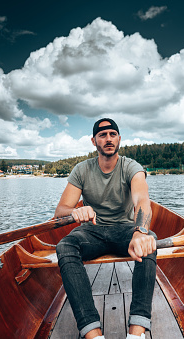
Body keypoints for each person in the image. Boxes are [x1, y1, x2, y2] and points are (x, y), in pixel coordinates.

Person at [54, 118, 157, 339]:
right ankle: (93, 333)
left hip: (124, 230)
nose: (108, 138)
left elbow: (142, 200)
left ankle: (136, 333)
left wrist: (140, 231)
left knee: (149, 240)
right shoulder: (81, 170)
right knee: (65, 245)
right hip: (93, 232)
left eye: (112, 134)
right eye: (102, 135)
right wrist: (75, 212)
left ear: (119, 138)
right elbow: (60, 210)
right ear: (94, 141)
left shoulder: (132, 167)